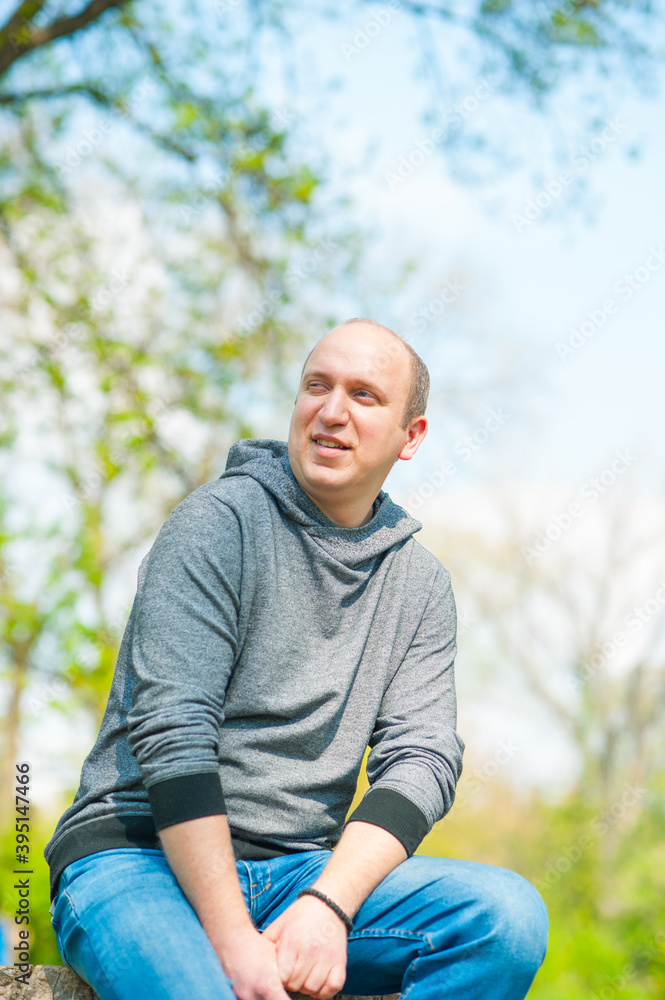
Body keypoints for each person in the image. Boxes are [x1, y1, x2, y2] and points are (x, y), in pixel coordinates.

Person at [44, 318, 548, 1000]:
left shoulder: (419, 585)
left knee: (503, 920)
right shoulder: (217, 525)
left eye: (364, 396)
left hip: (299, 875)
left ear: (410, 437)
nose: (331, 412)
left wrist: (327, 906)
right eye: (317, 386)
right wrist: (232, 942)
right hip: (140, 859)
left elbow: (423, 757)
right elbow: (174, 736)